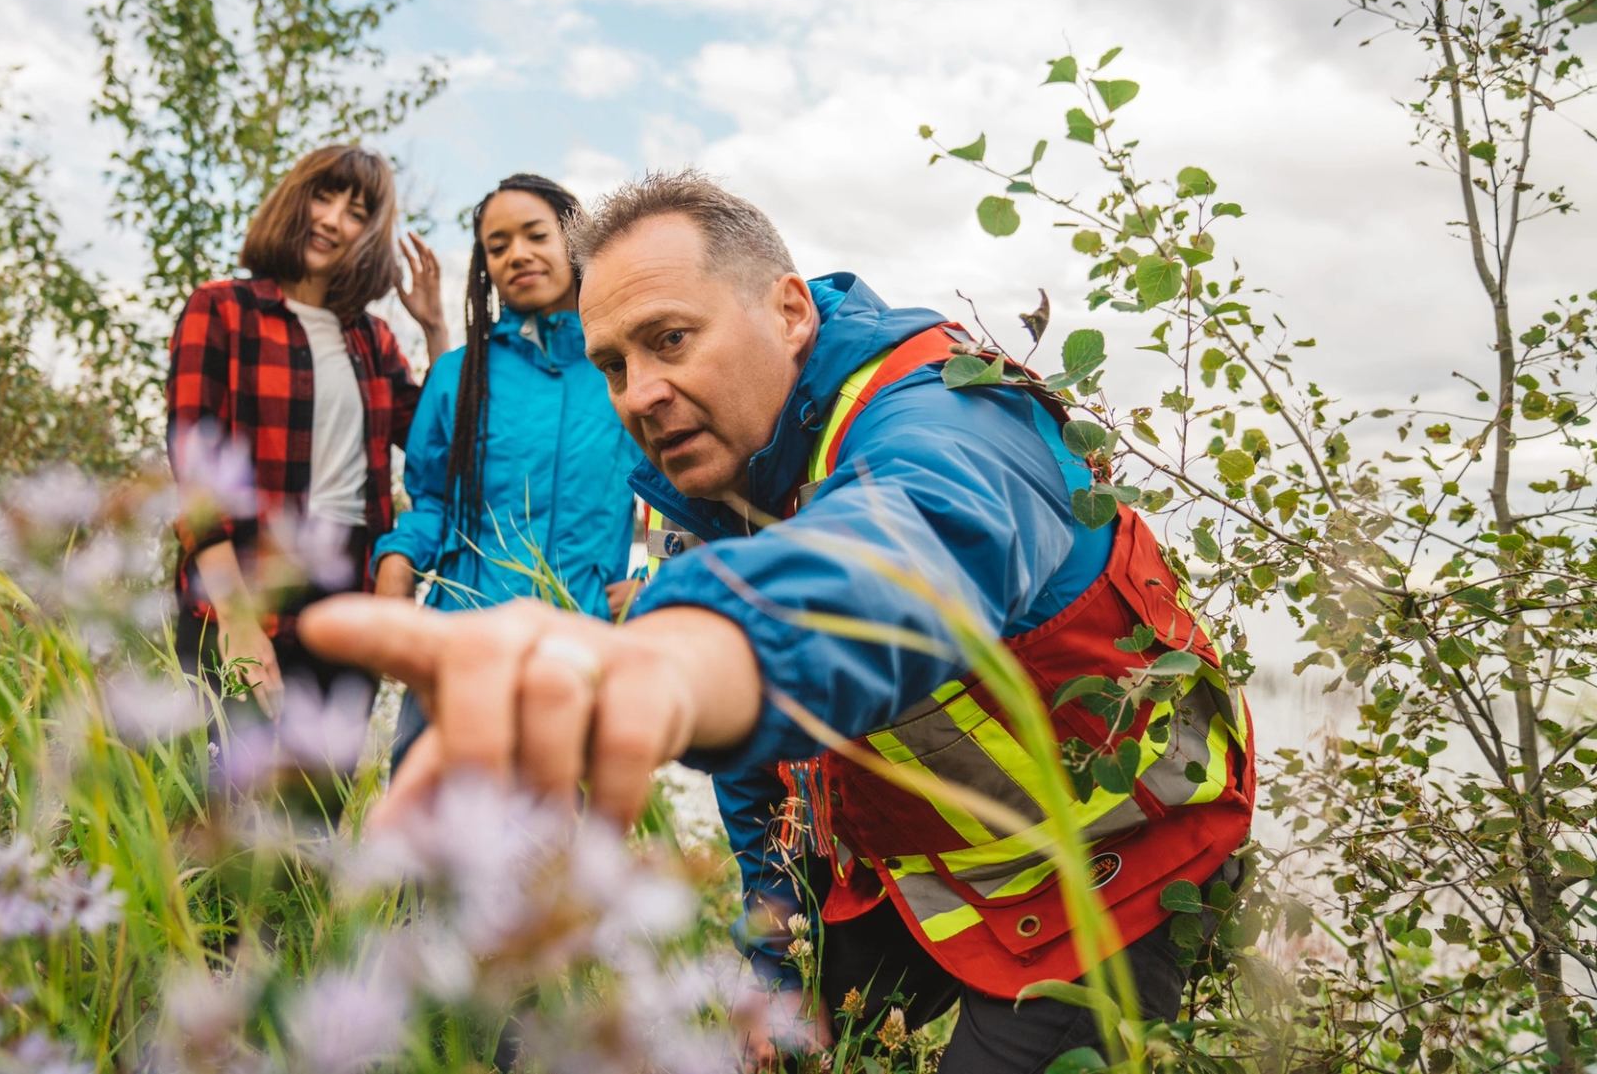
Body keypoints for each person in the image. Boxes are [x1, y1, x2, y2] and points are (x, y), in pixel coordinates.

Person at [296, 169, 1253, 1071]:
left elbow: (905, 547)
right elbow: (762, 774)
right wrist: (773, 947)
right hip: (911, 871)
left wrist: (675, 662)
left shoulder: (953, 415)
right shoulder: (719, 477)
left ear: (790, 310)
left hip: (1118, 868)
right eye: (614, 365)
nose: (638, 394)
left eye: (670, 340)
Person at [372, 173, 645, 764]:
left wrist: (658, 584)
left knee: (559, 849)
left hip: (575, 651)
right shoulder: (457, 376)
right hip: (458, 649)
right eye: (497, 246)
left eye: (534, 235)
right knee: (429, 846)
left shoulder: (624, 372)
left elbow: (686, 502)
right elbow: (432, 504)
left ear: (573, 242)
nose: (516, 254)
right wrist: (395, 562)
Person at [166, 143, 448, 714]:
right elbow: (195, 474)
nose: (331, 220)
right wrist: (238, 621)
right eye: (323, 197)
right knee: (231, 795)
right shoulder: (222, 309)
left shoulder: (371, 340)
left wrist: (436, 326)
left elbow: (439, 446)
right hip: (244, 592)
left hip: (348, 599)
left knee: (320, 801)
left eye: (356, 212)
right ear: (296, 201)